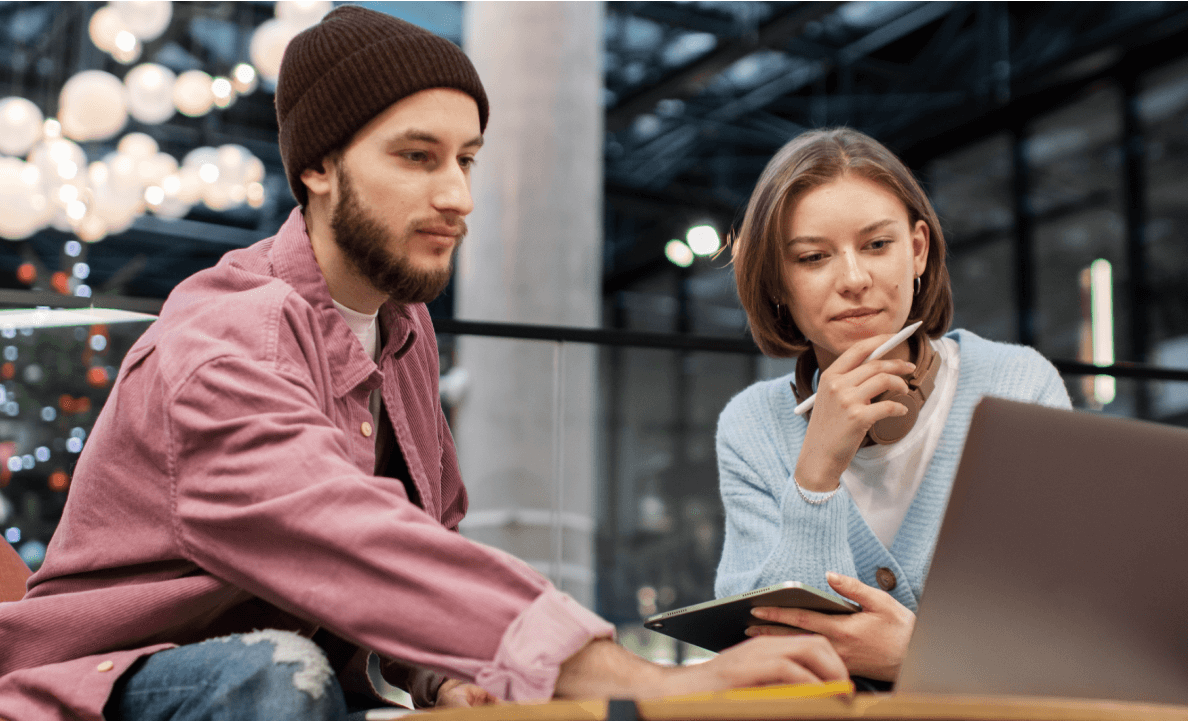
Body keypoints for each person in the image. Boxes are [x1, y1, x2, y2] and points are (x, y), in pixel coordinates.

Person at [0, 8, 848, 721]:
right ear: (319, 166)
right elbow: (344, 540)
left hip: (302, 682)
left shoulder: (402, 331)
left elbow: (413, 554)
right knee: (275, 671)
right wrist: (641, 679)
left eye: (467, 159)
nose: (458, 196)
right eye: (417, 156)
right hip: (115, 684)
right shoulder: (222, 341)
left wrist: (437, 673)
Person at [714, 128, 1071, 684]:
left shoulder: (1016, 385)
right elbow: (767, 655)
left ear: (919, 250)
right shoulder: (751, 426)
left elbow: (1065, 627)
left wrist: (921, 657)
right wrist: (816, 474)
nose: (855, 280)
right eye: (813, 257)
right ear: (777, 282)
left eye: (878, 245)